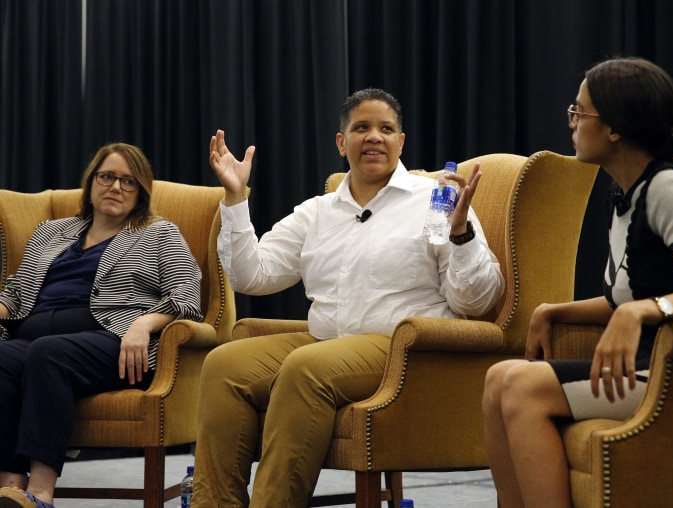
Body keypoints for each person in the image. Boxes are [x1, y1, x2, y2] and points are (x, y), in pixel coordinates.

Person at [192, 87, 505, 507]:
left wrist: (460, 232)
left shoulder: (434, 202)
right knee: (225, 363)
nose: (374, 136)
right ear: (342, 142)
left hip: (403, 347)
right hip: (330, 342)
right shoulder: (318, 212)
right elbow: (254, 275)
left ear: (401, 142)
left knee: (306, 367)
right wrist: (235, 197)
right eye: (361, 127)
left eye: (386, 129)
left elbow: (475, 303)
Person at [481, 57, 673, 507]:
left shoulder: (669, 186)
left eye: (579, 113)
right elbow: (622, 296)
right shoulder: (624, 194)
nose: (572, 124)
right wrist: (553, 310)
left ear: (615, 128)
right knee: (499, 376)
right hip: (647, 363)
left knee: (522, 386)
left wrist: (643, 311)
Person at [0, 143, 203, 508]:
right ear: (91, 181)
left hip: (112, 341)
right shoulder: (51, 231)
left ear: (141, 193)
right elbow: (15, 292)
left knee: (49, 353)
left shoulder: (159, 234)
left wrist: (143, 324)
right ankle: (12, 488)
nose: (116, 187)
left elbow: (187, 294)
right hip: (30, 336)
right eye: (108, 176)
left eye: (129, 181)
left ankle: (42, 493)